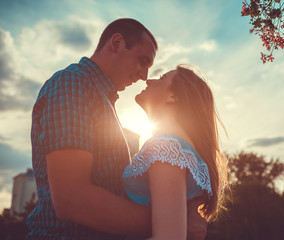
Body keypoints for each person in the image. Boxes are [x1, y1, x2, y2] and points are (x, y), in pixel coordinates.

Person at [26, 18, 206, 240]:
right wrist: (172, 223)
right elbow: (72, 199)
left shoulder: (101, 100)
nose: (144, 76)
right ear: (117, 43)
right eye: (142, 61)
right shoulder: (73, 84)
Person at [122, 65, 228, 240]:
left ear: (173, 96)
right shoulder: (182, 150)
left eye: (162, 78)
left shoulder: (166, 148)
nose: (149, 80)